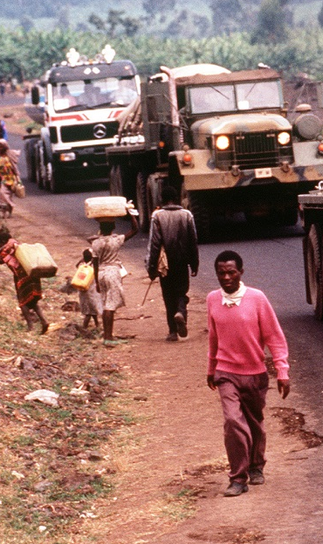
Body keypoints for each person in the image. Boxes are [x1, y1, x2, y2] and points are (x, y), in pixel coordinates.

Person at [206, 250, 290, 497]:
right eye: (221, 273)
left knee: (254, 423)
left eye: (231, 272)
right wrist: (211, 368)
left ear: (241, 272)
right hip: (226, 372)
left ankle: (256, 465)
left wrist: (282, 371)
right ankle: (238, 478)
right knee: (233, 422)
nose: (226, 277)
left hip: (255, 373)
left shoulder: (257, 298)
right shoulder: (212, 299)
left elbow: (274, 338)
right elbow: (213, 337)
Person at [146, 186, 200, 342]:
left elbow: (154, 244)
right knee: (182, 291)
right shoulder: (186, 215)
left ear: (162, 199)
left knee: (168, 295)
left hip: (165, 264)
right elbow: (193, 241)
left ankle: (172, 332)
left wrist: (151, 268)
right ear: (176, 198)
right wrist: (194, 264)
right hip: (182, 262)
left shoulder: (157, 216)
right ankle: (181, 312)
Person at [90, 211, 139, 346]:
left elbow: (95, 262)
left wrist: (96, 280)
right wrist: (131, 214)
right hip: (113, 272)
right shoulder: (116, 240)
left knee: (106, 304)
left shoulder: (96, 243)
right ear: (113, 227)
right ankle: (108, 338)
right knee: (110, 306)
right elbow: (135, 230)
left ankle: (107, 336)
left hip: (101, 273)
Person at [0, 227, 49, 334]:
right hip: (33, 274)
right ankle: (44, 321)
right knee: (33, 301)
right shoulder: (19, 245)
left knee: (23, 303)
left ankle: (30, 327)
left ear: (2, 241)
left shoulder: (5, 249)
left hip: (22, 277)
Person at [76, 248, 103, 331]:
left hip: (83, 291)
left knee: (90, 310)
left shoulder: (82, 266)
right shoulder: (93, 266)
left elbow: (76, 265)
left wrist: (83, 259)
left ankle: (96, 323)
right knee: (90, 311)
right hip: (92, 291)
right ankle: (84, 327)